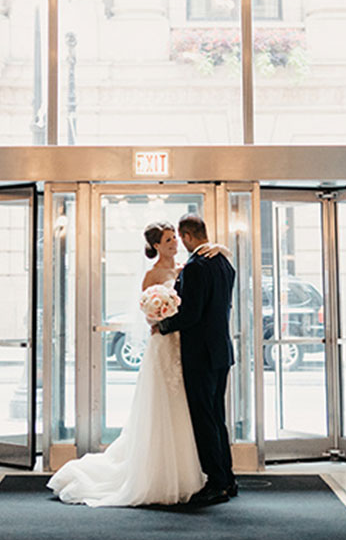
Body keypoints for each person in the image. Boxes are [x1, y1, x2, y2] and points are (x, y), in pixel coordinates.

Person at [46, 222, 212, 506]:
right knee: (163, 403)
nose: (174, 243)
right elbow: (147, 315)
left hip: (185, 345)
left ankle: (186, 470)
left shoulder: (188, 269)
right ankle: (157, 473)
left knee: (184, 406)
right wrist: (162, 314)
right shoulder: (152, 275)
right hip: (163, 344)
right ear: (156, 246)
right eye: (168, 240)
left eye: (175, 238)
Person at [152, 213, 239, 506]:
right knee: (217, 417)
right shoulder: (224, 262)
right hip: (221, 351)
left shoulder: (196, 268)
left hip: (200, 354)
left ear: (187, 237)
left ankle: (215, 483)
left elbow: (190, 314)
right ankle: (228, 478)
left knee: (204, 419)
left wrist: (162, 325)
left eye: (180, 238)